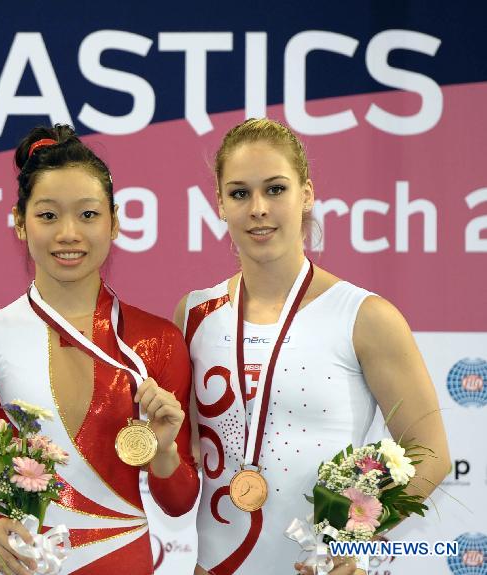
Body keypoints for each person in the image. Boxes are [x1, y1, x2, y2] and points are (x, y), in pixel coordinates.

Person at [173, 119, 451, 575]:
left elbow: (430, 451)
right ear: (219, 204)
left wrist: (358, 538)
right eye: (240, 193)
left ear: (306, 194)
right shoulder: (193, 313)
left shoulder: (365, 316)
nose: (258, 208)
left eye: (276, 189)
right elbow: (179, 458)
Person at [0, 125, 200, 575]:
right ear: (20, 223)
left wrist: (166, 449)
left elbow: (177, 504)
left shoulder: (156, 341)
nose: (69, 233)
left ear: (114, 222)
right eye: (48, 215)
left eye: (88, 215)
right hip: (17, 564)